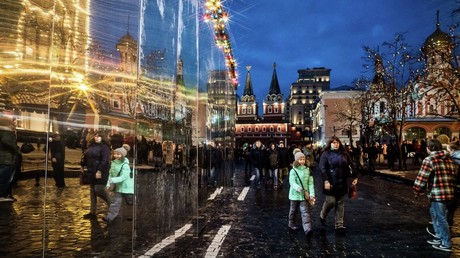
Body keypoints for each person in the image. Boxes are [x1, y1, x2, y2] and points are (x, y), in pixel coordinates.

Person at [413, 139, 456, 252]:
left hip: (438, 192)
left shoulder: (430, 159)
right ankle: (439, 236)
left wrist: (417, 190)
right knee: (435, 214)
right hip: (449, 191)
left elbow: (421, 178)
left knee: (441, 218)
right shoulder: (449, 158)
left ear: (429, 148)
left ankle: (446, 242)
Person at [319, 136, 358, 233]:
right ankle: (322, 215)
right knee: (331, 201)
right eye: (333, 142)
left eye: (337, 143)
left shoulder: (344, 154)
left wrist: (355, 176)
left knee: (340, 203)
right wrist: (326, 180)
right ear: (330, 144)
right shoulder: (325, 154)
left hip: (342, 181)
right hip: (331, 181)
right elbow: (322, 168)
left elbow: (351, 165)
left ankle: (339, 225)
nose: (335, 144)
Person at [80, 131, 111, 219]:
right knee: (92, 191)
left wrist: (99, 171)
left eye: (98, 136)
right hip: (91, 171)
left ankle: (112, 205)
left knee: (99, 189)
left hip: (101, 172)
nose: (96, 138)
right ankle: (92, 212)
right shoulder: (91, 146)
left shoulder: (105, 148)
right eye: (95, 136)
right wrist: (83, 165)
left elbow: (104, 161)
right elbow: (86, 157)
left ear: (103, 137)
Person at [103, 145, 133, 223]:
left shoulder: (125, 165)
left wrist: (112, 180)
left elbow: (124, 177)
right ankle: (109, 217)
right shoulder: (113, 163)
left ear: (122, 155)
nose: (116, 155)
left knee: (130, 203)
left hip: (127, 188)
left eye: (118, 154)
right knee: (115, 202)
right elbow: (110, 174)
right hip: (118, 187)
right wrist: (108, 184)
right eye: (115, 153)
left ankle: (131, 215)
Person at [288, 151, 315, 236]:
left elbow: (310, 183)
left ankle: (307, 229)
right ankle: (291, 224)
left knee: (305, 211)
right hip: (294, 195)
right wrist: (297, 187)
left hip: (304, 195)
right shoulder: (293, 170)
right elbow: (292, 181)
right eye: (300, 159)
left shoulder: (308, 170)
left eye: (303, 159)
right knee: (293, 210)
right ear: (297, 160)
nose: (302, 161)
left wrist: (312, 194)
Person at [0, 117, 20, 202]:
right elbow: (9, 143)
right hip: (6, 159)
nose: (15, 125)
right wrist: (17, 151)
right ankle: (1, 195)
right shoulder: (7, 132)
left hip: (3, 159)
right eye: (13, 123)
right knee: (5, 178)